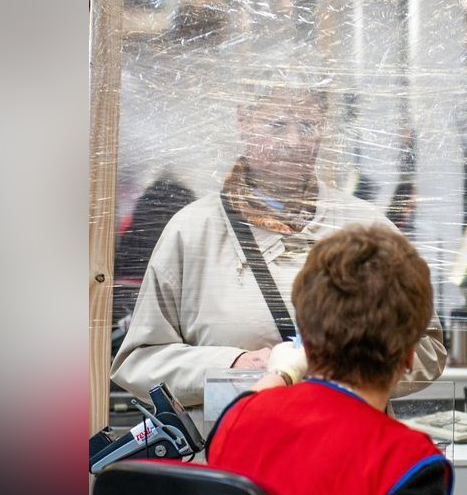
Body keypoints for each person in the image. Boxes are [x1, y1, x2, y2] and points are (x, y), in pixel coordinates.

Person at [111, 78, 447, 407]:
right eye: (277, 125)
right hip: (237, 454)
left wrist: (345, 373)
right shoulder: (193, 232)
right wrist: (232, 365)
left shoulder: (366, 227)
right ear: (244, 122)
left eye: (307, 125)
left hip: (345, 451)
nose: (293, 141)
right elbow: (140, 362)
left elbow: (428, 347)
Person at [205, 224, 453, 495]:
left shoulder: (236, 421)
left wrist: (285, 371)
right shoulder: (409, 462)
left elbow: (248, 402)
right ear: (409, 355)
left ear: (305, 341)